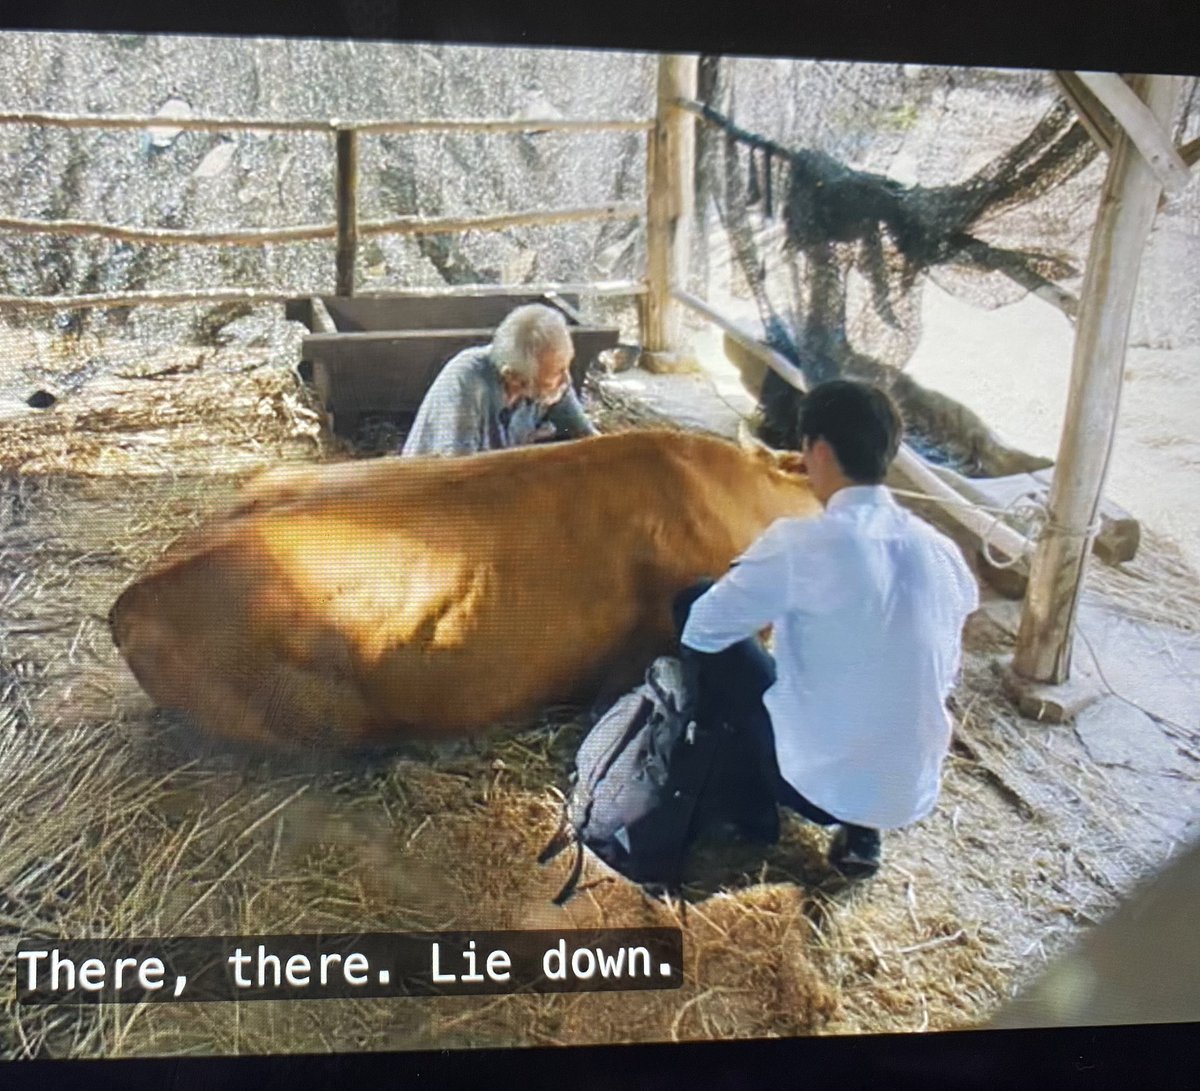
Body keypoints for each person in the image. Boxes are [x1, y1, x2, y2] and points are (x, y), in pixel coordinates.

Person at [675, 379, 979, 879]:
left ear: (816, 449)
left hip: (812, 785)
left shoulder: (801, 544)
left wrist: (752, 594)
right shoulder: (940, 549)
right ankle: (864, 833)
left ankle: (742, 800)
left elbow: (704, 631)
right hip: (912, 789)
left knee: (695, 606)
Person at [400, 303, 598, 456]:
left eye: (566, 367)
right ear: (513, 379)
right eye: (557, 374)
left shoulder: (552, 381)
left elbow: (583, 436)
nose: (566, 379)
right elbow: (457, 475)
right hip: (434, 494)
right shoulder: (467, 385)